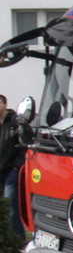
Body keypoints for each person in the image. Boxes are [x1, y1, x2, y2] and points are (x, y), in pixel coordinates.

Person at [0, 94, 23, 238]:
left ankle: (17, 236)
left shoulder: (15, 122)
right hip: (1, 169)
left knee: (10, 204)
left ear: (4, 105)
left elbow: (23, 144)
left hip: (11, 170)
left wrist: (17, 166)